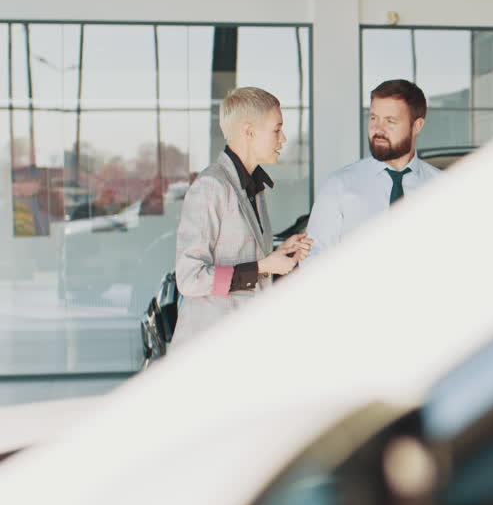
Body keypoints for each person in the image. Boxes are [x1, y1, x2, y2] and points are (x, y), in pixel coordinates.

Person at [170, 87, 311, 346]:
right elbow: (190, 279)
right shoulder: (211, 186)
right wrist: (263, 266)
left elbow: (250, 273)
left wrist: (282, 259)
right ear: (249, 132)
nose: (284, 139)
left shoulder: (252, 188)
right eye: (277, 130)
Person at [305, 79, 439, 261]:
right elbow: (313, 258)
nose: (377, 129)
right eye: (373, 118)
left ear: (417, 126)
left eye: (390, 121)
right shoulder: (339, 186)